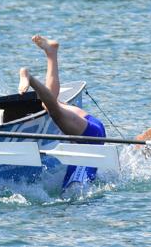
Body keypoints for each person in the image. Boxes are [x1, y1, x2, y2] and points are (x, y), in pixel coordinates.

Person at [18, 35, 107, 189]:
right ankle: (30, 77)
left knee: (52, 105)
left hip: (91, 132)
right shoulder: (76, 188)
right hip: (89, 136)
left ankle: (51, 53)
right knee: (54, 109)